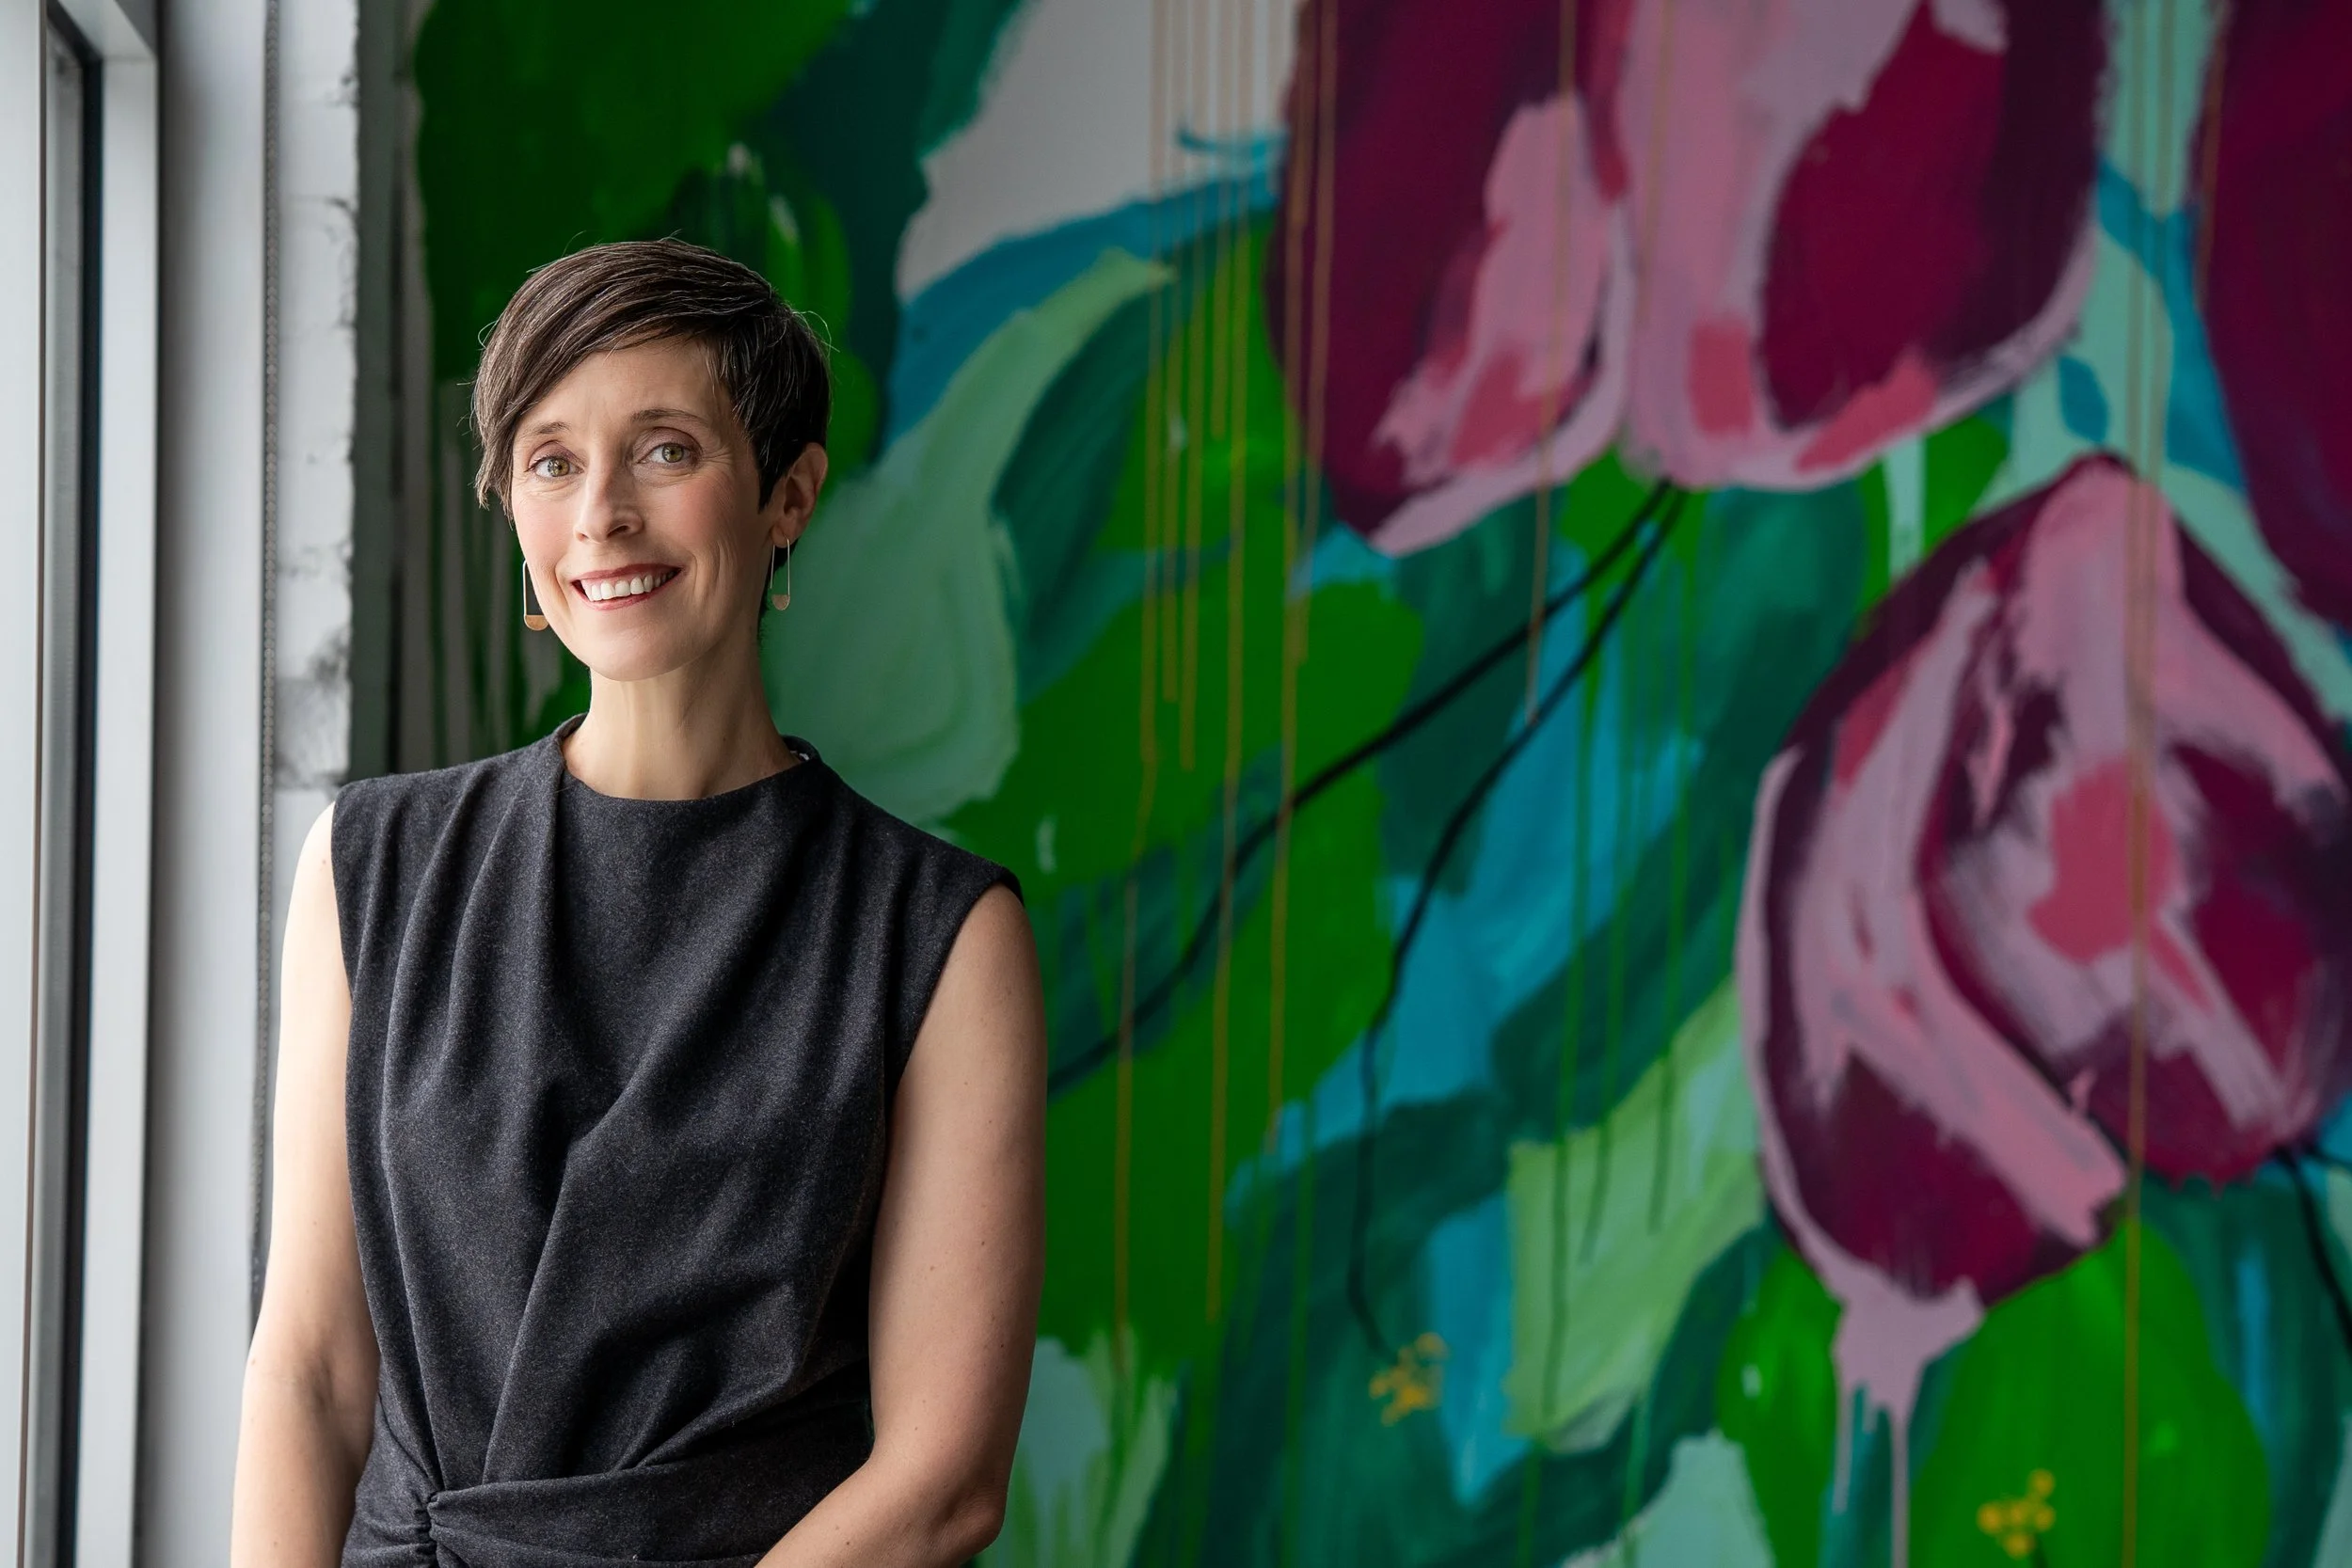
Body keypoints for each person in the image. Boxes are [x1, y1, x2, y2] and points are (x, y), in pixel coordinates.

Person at [229, 239, 1046, 1568]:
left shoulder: (939, 935)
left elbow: (944, 1483)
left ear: (788, 498)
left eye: (664, 449)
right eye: (553, 460)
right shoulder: (370, 864)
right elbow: (312, 1369)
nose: (600, 512)